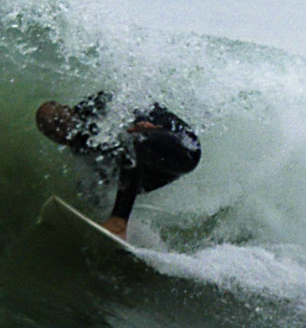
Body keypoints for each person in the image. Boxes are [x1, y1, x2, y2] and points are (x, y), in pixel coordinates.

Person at [35, 91, 201, 239]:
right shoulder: (77, 143)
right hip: (159, 166)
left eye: (59, 123)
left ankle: (118, 224)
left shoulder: (93, 108)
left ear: (67, 110)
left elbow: (129, 102)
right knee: (100, 185)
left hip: (182, 146)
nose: (58, 133)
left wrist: (143, 121)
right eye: (50, 133)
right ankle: (134, 234)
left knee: (131, 143)